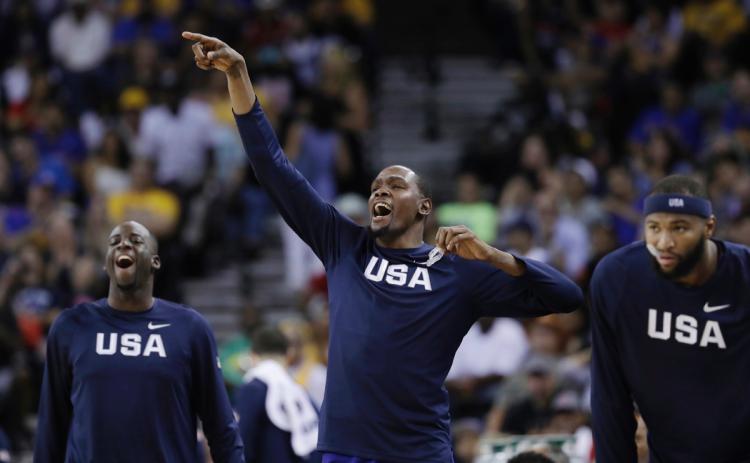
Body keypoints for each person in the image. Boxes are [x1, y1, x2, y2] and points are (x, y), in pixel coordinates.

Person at [183, 31, 583, 462]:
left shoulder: (459, 271)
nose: (380, 191)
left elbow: (566, 296)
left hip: (418, 452)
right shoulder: (343, 244)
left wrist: (493, 256)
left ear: (424, 206)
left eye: (395, 185)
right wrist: (239, 76)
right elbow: (273, 167)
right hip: (343, 449)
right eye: (376, 186)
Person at [34, 221, 244, 462]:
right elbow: (51, 428)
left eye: (135, 241)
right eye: (114, 242)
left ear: (155, 261)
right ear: (106, 264)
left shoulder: (190, 328)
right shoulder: (71, 326)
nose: (123, 244)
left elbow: (221, 428)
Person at [590, 174, 750, 461]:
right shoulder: (618, 279)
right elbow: (609, 396)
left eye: (679, 228)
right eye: (654, 228)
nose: (664, 242)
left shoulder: (745, 277)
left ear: (709, 227)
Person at [235, 325, 319, 463]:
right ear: (288, 354)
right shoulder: (298, 389)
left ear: (253, 355)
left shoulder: (253, 389)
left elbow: (244, 443)